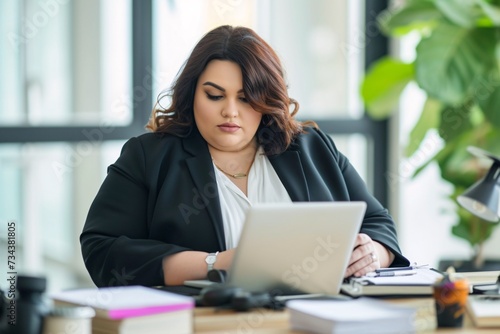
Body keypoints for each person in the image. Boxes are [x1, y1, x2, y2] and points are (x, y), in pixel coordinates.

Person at [80, 25, 409, 288]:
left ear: (267, 100)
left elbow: (379, 224)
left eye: (247, 98)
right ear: (191, 94)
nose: (230, 112)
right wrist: (217, 264)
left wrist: (373, 254)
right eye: (214, 95)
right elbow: (102, 251)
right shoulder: (150, 156)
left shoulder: (312, 148)